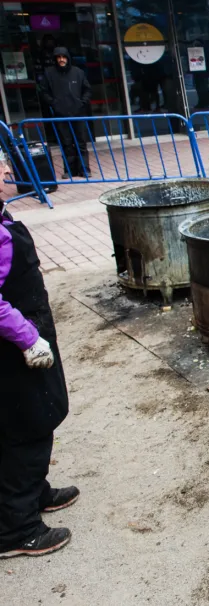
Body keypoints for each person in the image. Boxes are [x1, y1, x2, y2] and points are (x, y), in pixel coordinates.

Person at [0, 189, 78, 561]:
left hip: (24, 336)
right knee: (25, 428)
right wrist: (28, 338)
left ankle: (34, 492)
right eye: (1, 170)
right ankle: (16, 530)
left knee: (35, 419)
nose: (9, 177)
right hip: (12, 348)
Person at [39, 47, 91, 178]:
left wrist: (82, 102)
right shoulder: (49, 73)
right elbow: (43, 91)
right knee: (66, 143)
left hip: (78, 113)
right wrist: (54, 103)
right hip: (60, 114)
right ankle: (69, 170)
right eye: (58, 57)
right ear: (55, 59)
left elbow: (87, 89)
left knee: (81, 142)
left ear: (68, 58)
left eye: (63, 57)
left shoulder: (78, 72)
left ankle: (84, 169)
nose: (61, 60)